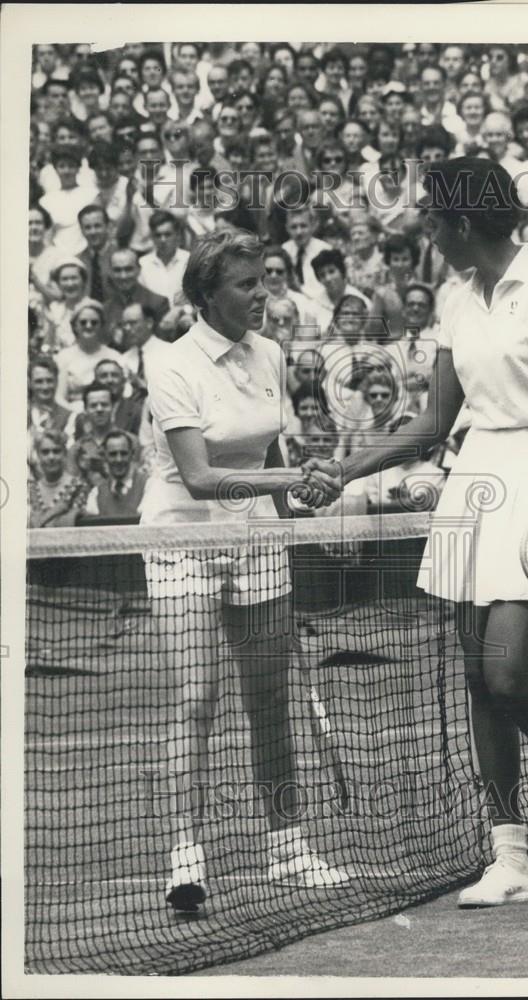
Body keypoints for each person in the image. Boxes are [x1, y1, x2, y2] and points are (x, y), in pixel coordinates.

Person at [303, 157, 528, 907]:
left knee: (505, 671)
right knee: (475, 675)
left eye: (433, 221)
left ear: (462, 223)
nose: (428, 233)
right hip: (477, 476)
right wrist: (342, 473)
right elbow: (433, 424)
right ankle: (508, 855)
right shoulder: (453, 298)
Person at [140, 230, 348, 913]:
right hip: (184, 540)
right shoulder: (168, 362)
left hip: (258, 539)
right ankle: (185, 855)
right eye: (245, 285)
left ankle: (287, 847)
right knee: (197, 699)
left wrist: (303, 519)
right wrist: (294, 475)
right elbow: (199, 478)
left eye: (263, 280)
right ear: (206, 296)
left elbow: (270, 452)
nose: (262, 294)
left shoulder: (270, 353)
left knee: (268, 703)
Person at [54, 299, 124, 411]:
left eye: (94, 322)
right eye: (83, 322)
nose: (88, 326)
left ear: (101, 325)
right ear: (75, 326)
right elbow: (59, 398)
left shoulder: (114, 356)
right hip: (72, 412)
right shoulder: (63, 357)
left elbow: (122, 395)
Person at [27, 429, 90, 528]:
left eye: (56, 451)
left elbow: (73, 521)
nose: (51, 457)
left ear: (64, 453)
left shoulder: (79, 487)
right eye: (45, 452)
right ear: (38, 455)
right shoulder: (30, 490)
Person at [83, 429, 149, 517]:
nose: (119, 459)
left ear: (132, 454)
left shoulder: (147, 485)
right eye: (113, 454)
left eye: (124, 453)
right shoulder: (97, 493)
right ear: (104, 456)